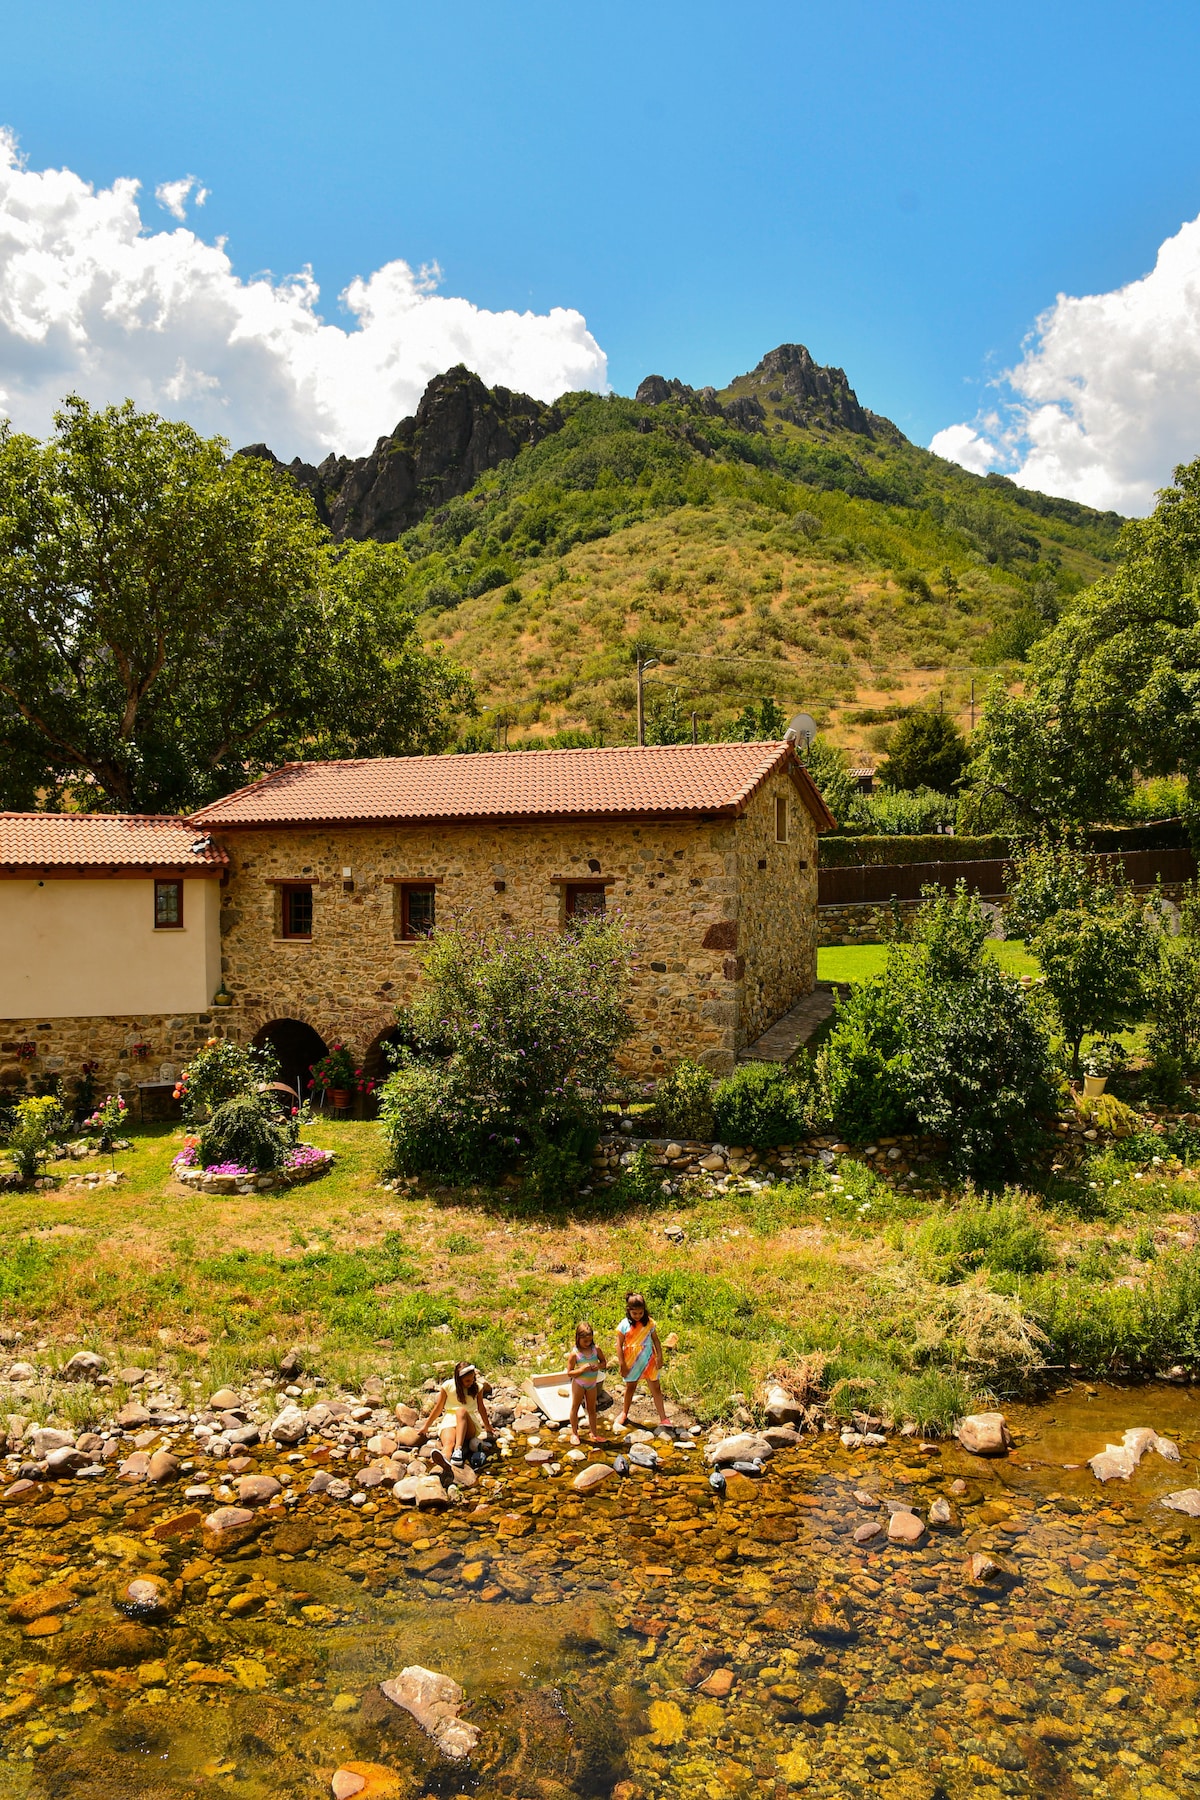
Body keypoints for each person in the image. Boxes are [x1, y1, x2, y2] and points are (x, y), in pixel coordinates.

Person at [421, 1361, 492, 1470]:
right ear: (459, 1380)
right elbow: (438, 1408)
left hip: (469, 1424)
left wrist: (488, 1427)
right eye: (467, 1380)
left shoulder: (477, 1387)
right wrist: (426, 1427)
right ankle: (445, 1460)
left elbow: (481, 1408)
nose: (471, 1382)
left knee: (461, 1411)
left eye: (473, 1378)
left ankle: (458, 1450)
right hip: (450, 1421)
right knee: (448, 1444)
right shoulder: (448, 1386)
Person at [615, 1291, 669, 1428]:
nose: (638, 1316)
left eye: (640, 1313)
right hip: (631, 1361)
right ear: (629, 1311)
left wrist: (660, 1356)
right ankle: (624, 1413)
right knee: (630, 1387)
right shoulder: (624, 1325)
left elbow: (656, 1340)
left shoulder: (649, 1323)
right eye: (635, 1314)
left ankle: (663, 1417)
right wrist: (622, 1364)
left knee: (656, 1387)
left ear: (644, 1310)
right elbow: (619, 1345)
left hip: (649, 1359)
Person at [567, 1321, 607, 1445]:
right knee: (575, 1407)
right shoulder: (575, 1354)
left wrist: (598, 1366)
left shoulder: (596, 1350)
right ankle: (574, 1433)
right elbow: (569, 1373)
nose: (588, 1343)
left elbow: (604, 1363)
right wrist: (581, 1370)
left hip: (592, 1384)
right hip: (579, 1383)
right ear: (578, 1339)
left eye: (590, 1341)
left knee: (592, 1409)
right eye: (585, 1341)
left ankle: (594, 1433)